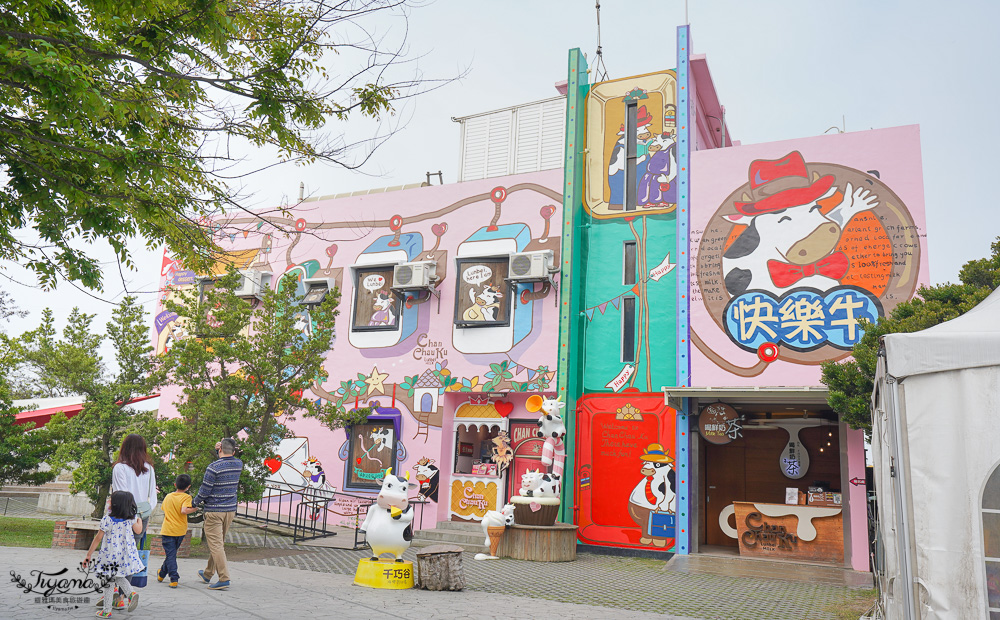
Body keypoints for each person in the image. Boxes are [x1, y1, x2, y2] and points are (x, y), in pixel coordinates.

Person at [99, 434, 156, 609]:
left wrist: (128, 516)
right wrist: (142, 515)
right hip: (142, 516)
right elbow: (152, 497)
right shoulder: (149, 468)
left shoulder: (120, 468)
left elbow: (121, 494)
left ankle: (114, 595)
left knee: (112, 554)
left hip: (122, 517)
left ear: (124, 447)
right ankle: (120, 596)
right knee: (130, 556)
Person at [84, 491, 145, 618]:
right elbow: (139, 530)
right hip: (125, 554)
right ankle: (131, 594)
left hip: (110, 555)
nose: (108, 502)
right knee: (117, 577)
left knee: (109, 581)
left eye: (110, 500)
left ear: (115, 504)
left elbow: (98, 538)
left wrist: (89, 554)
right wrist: (139, 519)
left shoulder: (107, 519)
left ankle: (107, 610)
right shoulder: (131, 518)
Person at [194, 438, 244, 591]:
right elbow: (226, 460)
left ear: (220, 449)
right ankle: (208, 573)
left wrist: (194, 503)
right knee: (219, 544)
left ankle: (224, 578)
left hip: (214, 511)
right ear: (234, 451)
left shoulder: (213, 468)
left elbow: (205, 490)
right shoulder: (238, 464)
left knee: (216, 545)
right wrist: (220, 451)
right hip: (230, 510)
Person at [157, 474, 198, 588]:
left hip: (167, 530)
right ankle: (174, 578)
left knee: (171, 554)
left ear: (175, 484)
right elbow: (184, 510)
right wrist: (195, 508)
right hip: (180, 530)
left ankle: (161, 574)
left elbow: (163, 509)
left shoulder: (168, 496)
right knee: (171, 555)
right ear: (188, 487)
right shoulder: (186, 497)